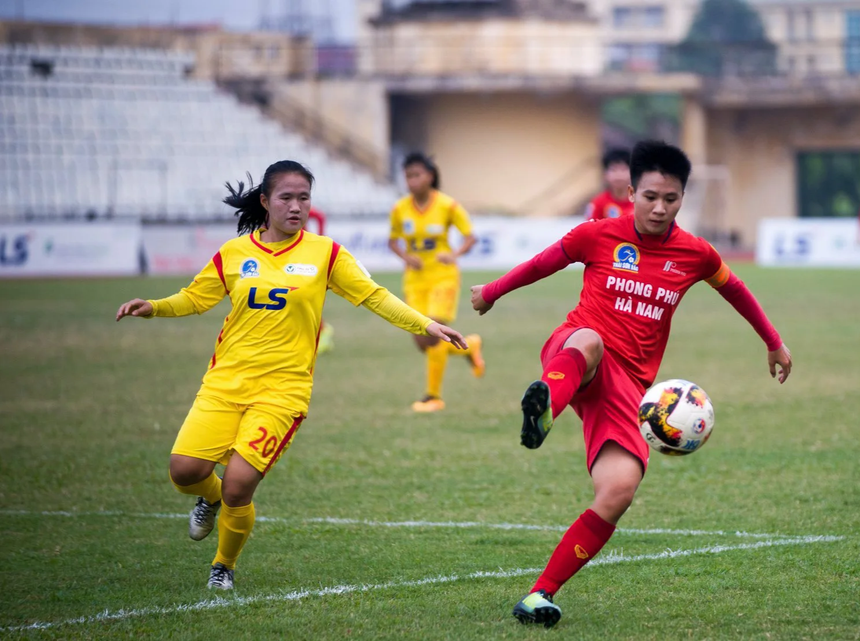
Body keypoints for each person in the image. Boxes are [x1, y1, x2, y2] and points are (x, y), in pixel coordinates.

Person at [470, 141, 793, 628]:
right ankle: (544, 410)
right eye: (650, 197)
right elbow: (543, 263)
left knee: (619, 490)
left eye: (671, 198)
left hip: (630, 388)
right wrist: (491, 293)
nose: (660, 208)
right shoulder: (597, 235)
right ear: (630, 192)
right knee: (589, 340)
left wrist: (773, 341)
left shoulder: (696, 254)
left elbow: (737, 290)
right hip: (574, 351)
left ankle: (539, 595)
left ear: (683, 197)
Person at [116, 160, 467, 590]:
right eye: (286, 197)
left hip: (283, 390)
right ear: (265, 202)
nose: (296, 206)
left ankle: (222, 566)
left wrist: (427, 325)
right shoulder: (235, 253)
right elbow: (195, 297)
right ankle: (208, 498)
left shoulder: (326, 253)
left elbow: (374, 296)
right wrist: (154, 306)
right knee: (183, 471)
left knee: (240, 486)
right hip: (225, 383)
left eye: (304, 198)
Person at [388, 152, 485, 412]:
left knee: (434, 333)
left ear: (430, 176)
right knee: (423, 341)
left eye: (416, 175)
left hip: (443, 277)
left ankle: (433, 397)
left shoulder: (448, 205)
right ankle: (470, 346)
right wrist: (407, 257)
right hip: (415, 281)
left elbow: (470, 237)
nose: (411, 181)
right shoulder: (400, 209)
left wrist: (453, 254)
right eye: (408, 176)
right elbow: (392, 241)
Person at [306, 207, 335, 355]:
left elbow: (319, 215)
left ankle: (322, 331)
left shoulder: (291, 207)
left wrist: (320, 239)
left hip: (303, 253)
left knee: (308, 298)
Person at [584, 148, 633, 221]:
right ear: (605, 174)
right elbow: (588, 228)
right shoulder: (598, 203)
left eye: (623, 169)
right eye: (613, 170)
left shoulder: (640, 201)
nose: (619, 175)